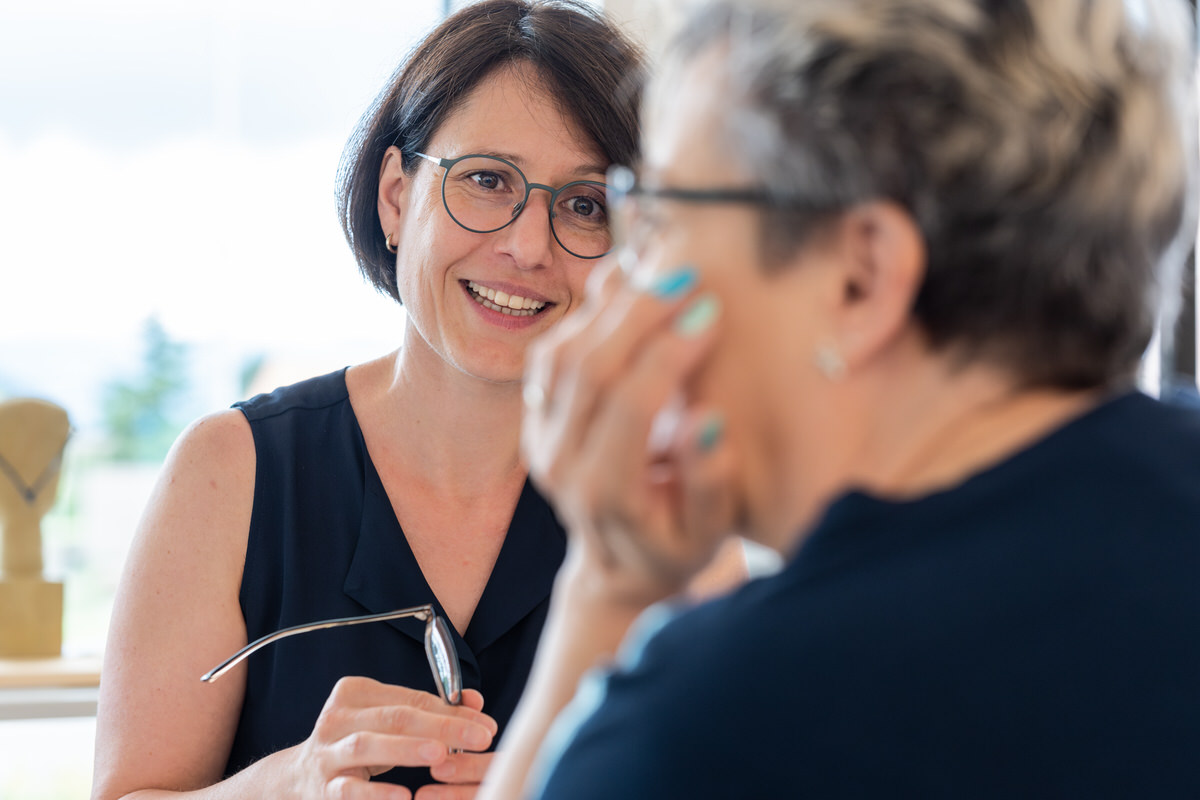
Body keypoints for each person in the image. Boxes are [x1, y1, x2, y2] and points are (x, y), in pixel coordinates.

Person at [480, 0, 1200, 797]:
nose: (619, 280)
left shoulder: (722, 725)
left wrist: (604, 592)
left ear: (861, 278)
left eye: (665, 217)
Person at [92, 2, 742, 798]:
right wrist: (286, 784)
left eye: (584, 205)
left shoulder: (678, 504)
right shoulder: (229, 473)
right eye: (486, 181)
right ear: (397, 198)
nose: (526, 247)